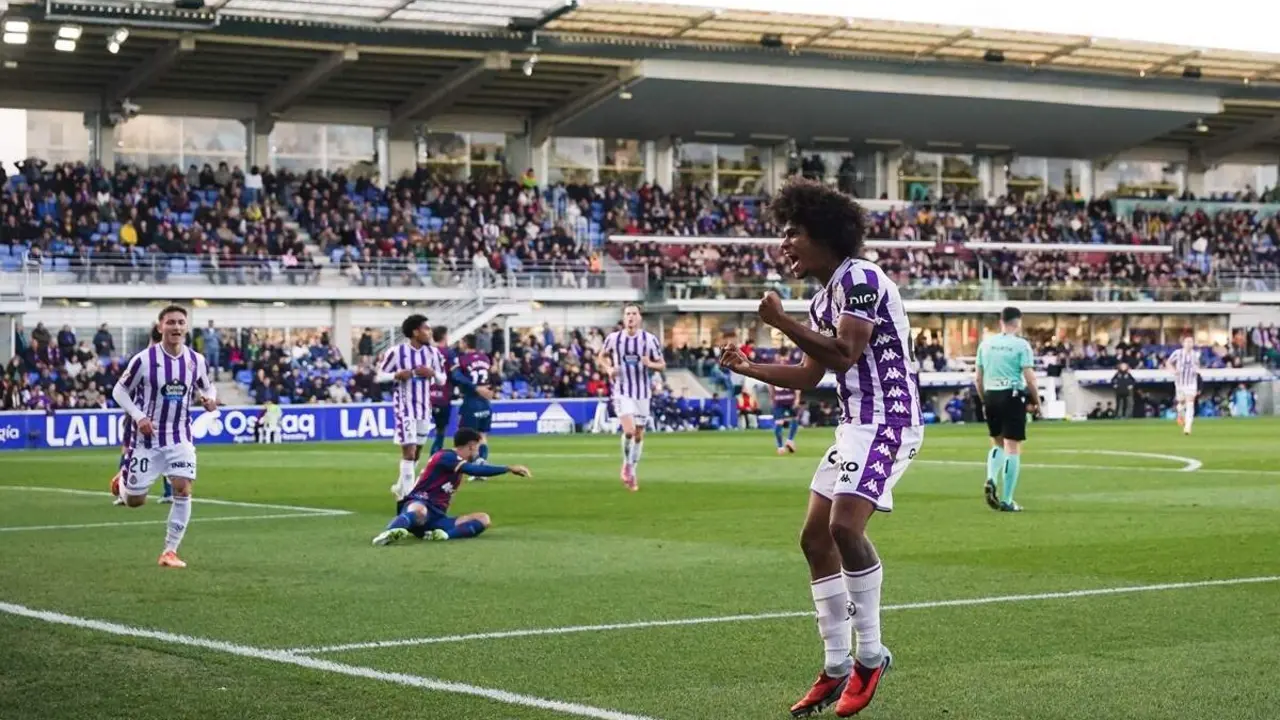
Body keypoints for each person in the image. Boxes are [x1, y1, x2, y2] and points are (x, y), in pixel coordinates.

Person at [718, 178, 922, 719]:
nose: (784, 244)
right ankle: (835, 665)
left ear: (824, 233)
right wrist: (749, 367)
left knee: (844, 529)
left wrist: (780, 322)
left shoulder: (861, 279)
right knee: (814, 538)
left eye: (793, 232)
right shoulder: (823, 297)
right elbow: (811, 375)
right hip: (855, 425)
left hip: (890, 420)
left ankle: (870, 656)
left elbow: (845, 353)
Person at [111, 305, 218, 569]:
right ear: (161, 327)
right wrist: (139, 416)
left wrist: (210, 399)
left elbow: (208, 386)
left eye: (181, 322)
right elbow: (119, 391)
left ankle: (170, 551)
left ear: (186, 327)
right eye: (171, 322)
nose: (176, 327)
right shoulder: (144, 360)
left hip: (180, 436)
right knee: (135, 501)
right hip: (146, 439)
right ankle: (123, 481)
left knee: (183, 487)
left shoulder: (196, 360)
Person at [371, 427, 531, 545]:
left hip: (437, 518)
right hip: (419, 504)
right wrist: (508, 468)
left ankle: (442, 535)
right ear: (471, 446)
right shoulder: (445, 456)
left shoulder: (455, 461)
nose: (477, 453)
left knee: (483, 519)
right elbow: (474, 470)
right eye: (477, 448)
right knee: (419, 511)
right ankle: (388, 533)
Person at [974, 307, 1040, 514]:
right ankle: (1007, 499)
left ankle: (991, 478)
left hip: (991, 395)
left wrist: (985, 399)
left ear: (1000, 322)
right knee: (1013, 447)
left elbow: (978, 378)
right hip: (1011, 395)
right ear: (1018, 322)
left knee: (997, 442)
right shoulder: (1021, 345)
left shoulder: (985, 344)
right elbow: (1030, 377)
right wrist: (1037, 400)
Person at [599, 304, 665, 491]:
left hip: (642, 393)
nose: (630, 317)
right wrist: (609, 368)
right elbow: (601, 356)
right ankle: (627, 466)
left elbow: (662, 364)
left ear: (639, 317)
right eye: (628, 314)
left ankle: (632, 470)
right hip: (622, 391)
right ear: (624, 317)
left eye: (634, 314)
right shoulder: (614, 339)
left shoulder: (649, 340)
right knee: (629, 430)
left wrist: (650, 363)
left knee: (639, 434)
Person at [377, 314, 442, 500]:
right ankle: (408, 497)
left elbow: (443, 379)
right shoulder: (396, 352)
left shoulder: (433, 353)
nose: (429, 332)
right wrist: (396, 375)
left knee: (418, 451)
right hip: (404, 408)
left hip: (424, 408)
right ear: (415, 332)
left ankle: (400, 487)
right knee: (409, 452)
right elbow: (380, 375)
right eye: (426, 328)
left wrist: (432, 373)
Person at [110, 324, 173, 506]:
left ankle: (124, 491)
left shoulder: (142, 358)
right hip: (163, 413)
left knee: (128, 449)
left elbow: (124, 387)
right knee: (166, 449)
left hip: (138, 412)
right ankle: (169, 492)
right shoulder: (170, 359)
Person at [451, 334, 496, 478]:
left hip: (471, 401)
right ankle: (482, 468)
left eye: (461, 342)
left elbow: (457, 377)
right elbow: (491, 375)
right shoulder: (485, 358)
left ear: (465, 343)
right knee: (482, 436)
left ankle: (474, 469)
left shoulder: (462, 359)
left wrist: (474, 387)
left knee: (465, 437)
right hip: (485, 402)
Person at [1165, 336, 1200, 435]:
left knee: (1190, 403)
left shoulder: (1195, 354)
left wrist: (1196, 371)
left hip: (1191, 382)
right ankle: (1180, 413)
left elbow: (1197, 366)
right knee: (1181, 402)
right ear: (1183, 343)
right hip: (1180, 382)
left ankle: (1188, 426)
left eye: (1191, 342)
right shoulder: (1178, 353)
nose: (1189, 344)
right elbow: (1168, 362)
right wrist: (1173, 371)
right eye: (1187, 342)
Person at [429, 326, 455, 455]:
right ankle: (434, 457)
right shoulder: (448, 354)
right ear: (445, 336)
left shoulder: (427, 352)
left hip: (428, 397)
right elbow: (454, 374)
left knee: (420, 432)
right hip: (443, 396)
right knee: (440, 430)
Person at [772, 384, 802, 455]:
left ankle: (780, 447)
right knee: (795, 419)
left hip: (778, 400)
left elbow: (771, 388)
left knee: (779, 422)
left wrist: (773, 399)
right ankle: (790, 440)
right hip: (790, 399)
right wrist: (797, 399)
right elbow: (797, 386)